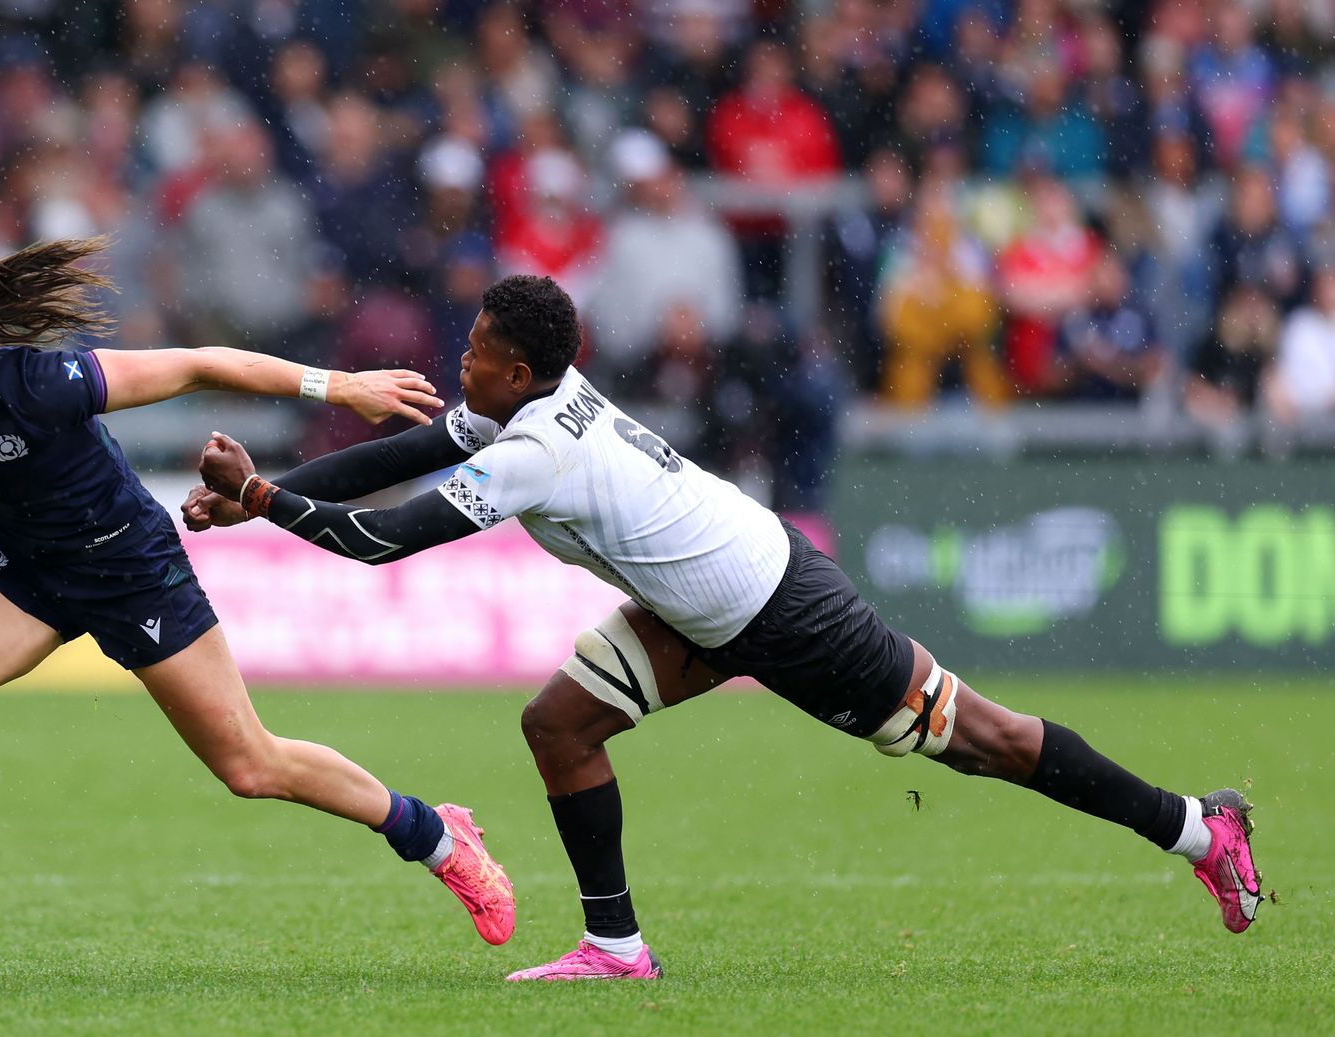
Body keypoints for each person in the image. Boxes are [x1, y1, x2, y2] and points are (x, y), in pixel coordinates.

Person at [188, 274, 1263, 982]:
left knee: (984, 742)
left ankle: (1196, 828)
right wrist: (267, 490)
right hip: (698, 604)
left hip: (781, 609)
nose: (459, 365)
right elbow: (397, 459)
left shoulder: (531, 451)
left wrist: (270, 505)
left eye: (474, 352)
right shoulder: (525, 401)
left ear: (520, 371)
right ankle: (616, 947)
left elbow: (385, 541)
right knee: (558, 726)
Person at [0, 238, 515, 985]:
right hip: (25, 571)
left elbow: (198, 364)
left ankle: (437, 836)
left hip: (131, 564)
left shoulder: (40, 381)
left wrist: (338, 386)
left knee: (251, 766)